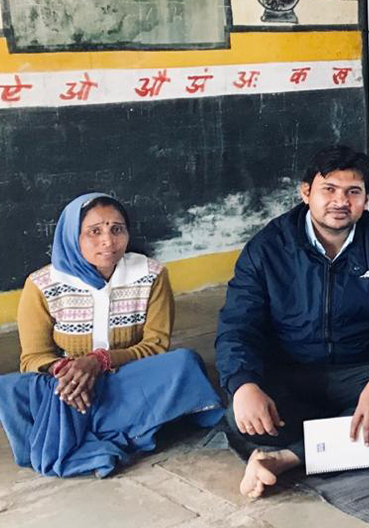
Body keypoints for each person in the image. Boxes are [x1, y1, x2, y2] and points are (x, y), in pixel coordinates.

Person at [216, 145, 369, 499]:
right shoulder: (267, 249)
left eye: (353, 192)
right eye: (329, 189)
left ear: (365, 198)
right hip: (292, 372)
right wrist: (243, 384)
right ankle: (341, 443)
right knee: (239, 414)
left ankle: (287, 458)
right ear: (306, 192)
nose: (341, 201)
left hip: (361, 372)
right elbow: (237, 325)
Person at [0, 193, 223, 477]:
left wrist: (99, 361)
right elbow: (32, 358)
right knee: (10, 389)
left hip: (126, 379)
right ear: (72, 236)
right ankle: (128, 426)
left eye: (117, 229)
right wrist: (66, 371)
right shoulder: (42, 284)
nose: (108, 241)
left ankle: (85, 429)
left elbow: (155, 346)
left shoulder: (150, 275)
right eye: (94, 231)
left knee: (184, 363)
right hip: (67, 386)